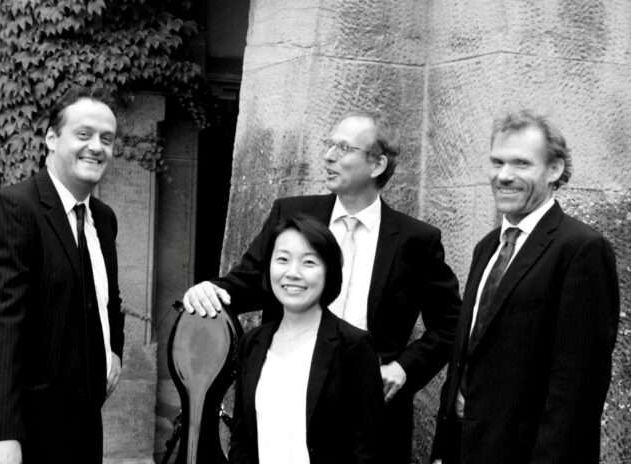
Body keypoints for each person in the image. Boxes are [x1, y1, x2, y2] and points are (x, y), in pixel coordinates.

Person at [184, 111, 462, 462]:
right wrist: (210, 290)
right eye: (329, 145)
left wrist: (404, 368)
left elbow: (451, 323)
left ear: (377, 164)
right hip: (286, 395)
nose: (328, 156)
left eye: (343, 148)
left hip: (373, 405)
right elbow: (249, 282)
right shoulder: (291, 214)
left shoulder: (416, 239)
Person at [431, 110, 620, 464]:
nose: (503, 175)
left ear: (554, 170)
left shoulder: (582, 249)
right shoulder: (487, 247)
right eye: (497, 162)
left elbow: (577, 387)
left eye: (521, 163)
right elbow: (467, 357)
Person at [0, 87, 125, 464]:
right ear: (51, 138)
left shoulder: (103, 218)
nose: (96, 147)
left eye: (107, 139)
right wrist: (2, 434)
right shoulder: (12, 209)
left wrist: (113, 350)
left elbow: (107, 298)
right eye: (83, 135)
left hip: (83, 427)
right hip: (22, 432)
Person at [229, 214, 384, 464]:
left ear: (329, 271)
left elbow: (367, 448)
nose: (293, 273)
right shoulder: (252, 343)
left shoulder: (353, 346)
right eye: (282, 259)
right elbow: (242, 440)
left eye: (309, 262)